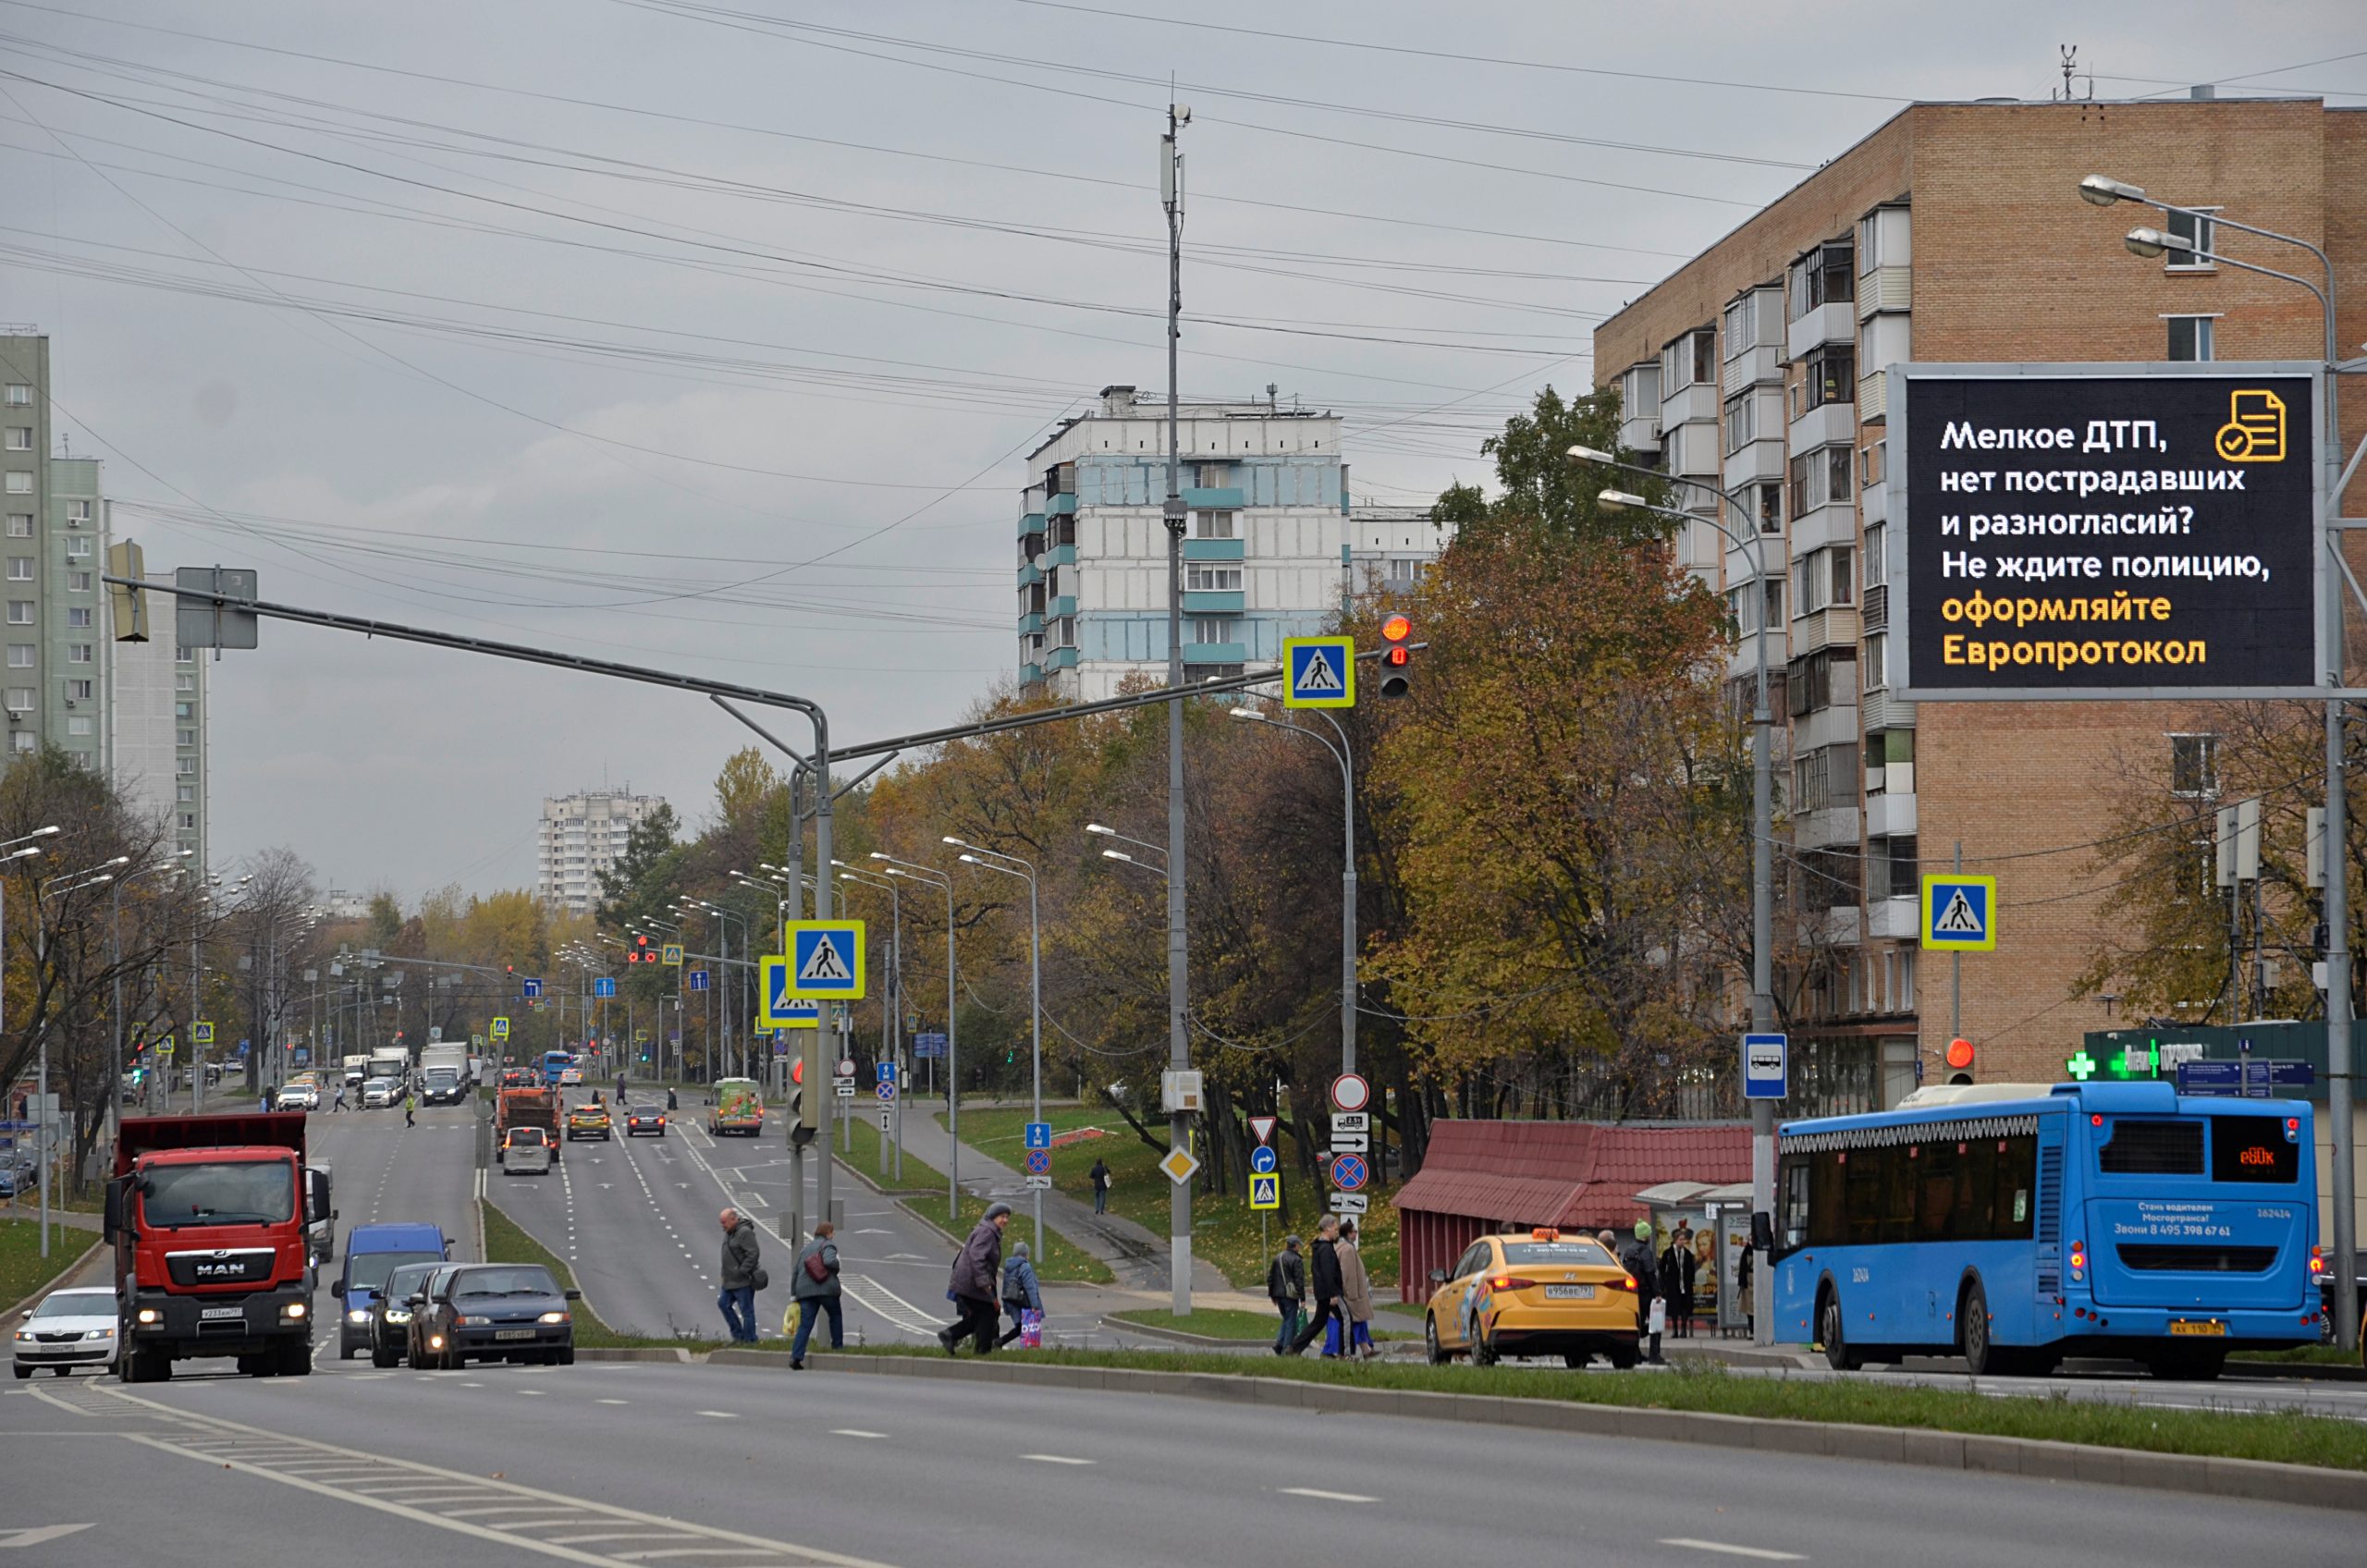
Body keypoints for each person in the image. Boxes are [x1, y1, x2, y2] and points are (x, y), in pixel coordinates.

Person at [938, 1202, 1011, 1355]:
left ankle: (952, 1336)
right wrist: (985, 1283)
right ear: (993, 1217)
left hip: (969, 1281)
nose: (1005, 1220)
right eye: (1002, 1216)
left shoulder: (990, 1231)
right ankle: (981, 1350)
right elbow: (977, 1257)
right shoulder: (987, 1232)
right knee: (988, 1313)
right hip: (971, 1282)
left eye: (1007, 1217)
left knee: (983, 1314)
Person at [1286, 1217, 1344, 1357]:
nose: (1337, 1232)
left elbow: (1317, 1270)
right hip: (1328, 1292)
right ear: (1327, 1228)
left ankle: (1294, 1347)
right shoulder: (1325, 1249)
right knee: (1344, 1319)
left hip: (1323, 1291)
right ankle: (1343, 1353)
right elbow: (1327, 1272)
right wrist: (1333, 1293)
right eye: (1335, 1229)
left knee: (1318, 1322)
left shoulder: (1320, 1247)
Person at [789, 1219, 841, 1368]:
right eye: (832, 1232)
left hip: (805, 1291)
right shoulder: (828, 1245)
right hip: (825, 1289)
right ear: (828, 1233)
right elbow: (830, 1261)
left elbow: (796, 1272)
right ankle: (837, 1348)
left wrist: (794, 1294)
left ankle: (796, 1357)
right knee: (835, 1315)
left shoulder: (805, 1249)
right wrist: (837, 1266)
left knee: (805, 1324)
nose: (833, 1234)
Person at [717, 1207, 762, 1344]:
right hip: (729, 1281)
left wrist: (742, 1271)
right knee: (723, 1304)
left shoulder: (745, 1232)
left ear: (733, 1219)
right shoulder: (730, 1232)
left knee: (746, 1311)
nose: (722, 1226)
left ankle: (749, 1340)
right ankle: (738, 1336)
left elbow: (753, 1254)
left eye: (724, 1222)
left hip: (743, 1281)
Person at [1620, 1219, 1663, 1365]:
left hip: (1633, 1293)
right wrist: (1657, 1293)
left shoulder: (1629, 1250)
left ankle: (1635, 1355)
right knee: (1655, 1324)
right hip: (1646, 1293)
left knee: (1636, 1325)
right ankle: (1654, 1356)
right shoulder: (1645, 1251)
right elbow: (1650, 1272)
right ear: (1646, 1236)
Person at [1334, 1218, 1377, 1360]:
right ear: (1347, 1233)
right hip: (1353, 1295)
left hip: (1352, 1293)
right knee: (1355, 1322)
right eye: (1354, 1232)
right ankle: (1345, 1353)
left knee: (1359, 1322)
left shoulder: (1342, 1247)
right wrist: (1353, 1294)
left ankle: (1366, 1350)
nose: (1356, 1234)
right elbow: (1349, 1274)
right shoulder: (1347, 1250)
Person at [996, 1241, 1044, 1349]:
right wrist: (1034, 1305)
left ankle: (1000, 1342)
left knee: (1020, 1327)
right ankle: (1000, 1343)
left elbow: (1006, 1286)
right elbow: (1030, 1287)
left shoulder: (1009, 1266)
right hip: (1024, 1302)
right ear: (1025, 1254)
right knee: (1025, 1327)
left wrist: (1005, 1304)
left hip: (1012, 1301)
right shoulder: (1025, 1267)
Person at [1266, 1235, 1306, 1354]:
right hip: (1290, 1296)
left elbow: (1271, 1278)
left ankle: (1279, 1344)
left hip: (1278, 1295)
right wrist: (1302, 1298)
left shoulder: (1277, 1257)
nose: (1300, 1247)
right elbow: (1299, 1281)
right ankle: (1286, 1349)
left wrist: (1272, 1295)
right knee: (1291, 1322)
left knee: (1287, 1319)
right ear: (1295, 1245)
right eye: (1299, 1245)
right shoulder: (1296, 1260)